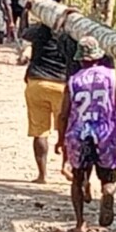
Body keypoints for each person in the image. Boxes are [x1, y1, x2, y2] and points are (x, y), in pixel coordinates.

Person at [57, 36, 116, 232]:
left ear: (81, 59)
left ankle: (80, 222)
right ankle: (107, 191)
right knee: (108, 176)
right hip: (106, 133)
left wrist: (60, 139)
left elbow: (63, 114)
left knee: (78, 179)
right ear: (97, 57)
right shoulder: (109, 76)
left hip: (79, 133)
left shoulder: (73, 81)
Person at [21, 20, 69, 184]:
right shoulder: (70, 34)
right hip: (62, 86)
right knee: (67, 130)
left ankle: (42, 175)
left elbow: (25, 34)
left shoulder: (39, 31)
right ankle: (66, 166)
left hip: (37, 82)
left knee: (39, 132)